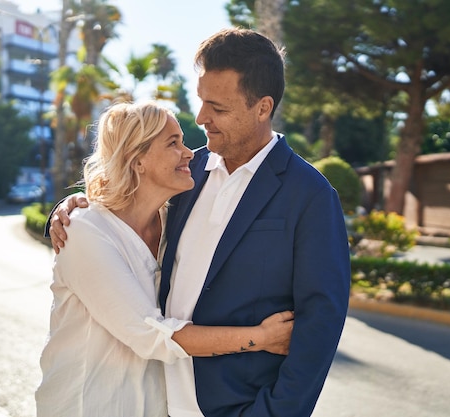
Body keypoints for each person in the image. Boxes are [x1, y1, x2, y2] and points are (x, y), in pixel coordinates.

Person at [49, 28, 351, 417]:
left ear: (262, 108)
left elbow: (320, 326)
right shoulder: (188, 176)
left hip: (236, 407)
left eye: (218, 108)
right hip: (156, 400)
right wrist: (75, 205)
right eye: (201, 101)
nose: (201, 118)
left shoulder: (310, 196)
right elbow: (126, 209)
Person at [36, 101, 294, 417]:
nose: (189, 153)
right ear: (137, 160)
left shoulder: (173, 223)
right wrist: (261, 338)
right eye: (173, 143)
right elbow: (150, 335)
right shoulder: (85, 231)